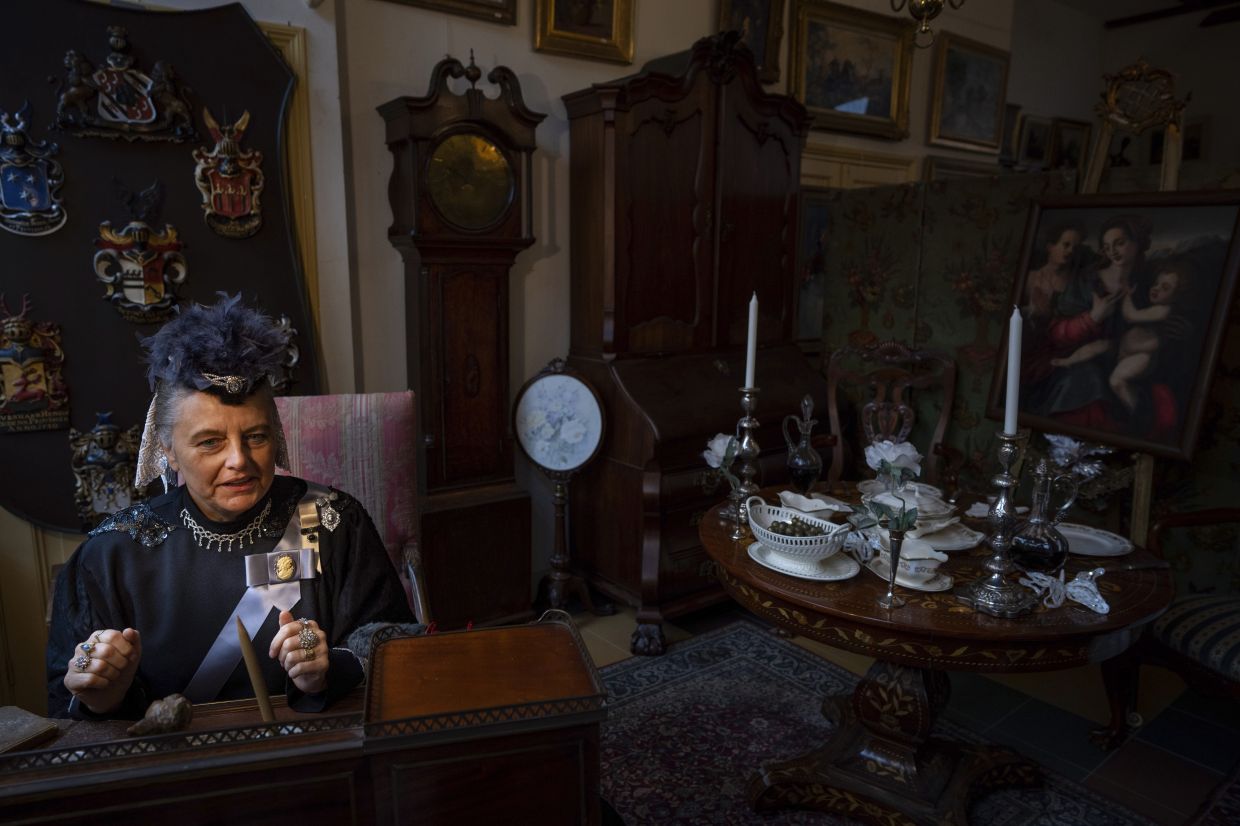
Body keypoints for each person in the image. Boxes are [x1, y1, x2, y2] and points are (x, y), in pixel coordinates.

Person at [47, 295, 416, 719]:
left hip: (314, 756)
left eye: (256, 437)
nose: (239, 459)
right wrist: (102, 694)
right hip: (173, 770)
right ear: (167, 449)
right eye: (210, 442)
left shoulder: (335, 521)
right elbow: (65, 702)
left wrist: (330, 668)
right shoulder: (112, 554)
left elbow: (392, 644)